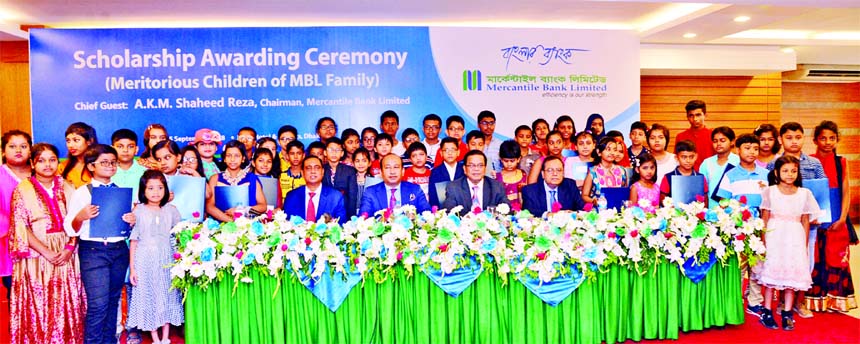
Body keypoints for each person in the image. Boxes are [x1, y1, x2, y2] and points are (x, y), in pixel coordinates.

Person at [9, 143, 85, 344]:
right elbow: (20, 227)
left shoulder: (69, 187)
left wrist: (70, 247)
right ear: (33, 163)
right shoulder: (22, 190)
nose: (47, 165)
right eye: (41, 160)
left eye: (52, 160)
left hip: (66, 253)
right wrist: (46, 252)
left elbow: (78, 218)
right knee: (41, 304)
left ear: (58, 163)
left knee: (65, 303)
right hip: (37, 257)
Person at [64, 144, 136, 344]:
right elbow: (70, 228)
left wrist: (131, 220)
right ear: (91, 166)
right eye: (104, 162)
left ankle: (109, 341)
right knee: (98, 304)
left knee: (113, 301)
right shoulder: (82, 193)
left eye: (113, 162)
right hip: (94, 252)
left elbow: (126, 228)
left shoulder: (121, 192)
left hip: (119, 250)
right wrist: (81, 215)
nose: (110, 166)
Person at [766, 122, 826, 319]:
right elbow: (770, 197)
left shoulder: (814, 163)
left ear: (804, 138)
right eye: (789, 137)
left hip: (803, 223)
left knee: (801, 263)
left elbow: (823, 192)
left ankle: (798, 303)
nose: (793, 141)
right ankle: (781, 303)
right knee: (779, 262)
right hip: (778, 225)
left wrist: (822, 214)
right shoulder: (772, 164)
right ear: (781, 140)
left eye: (798, 137)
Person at [755, 155, 821, 330]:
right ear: (777, 173)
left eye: (793, 171)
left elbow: (806, 221)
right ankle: (767, 311)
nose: (790, 174)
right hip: (775, 236)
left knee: (792, 276)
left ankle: (787, 312)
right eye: (785, 171)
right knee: (771, 274)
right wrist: (763, 242)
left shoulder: (804, 193)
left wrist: (805, 245)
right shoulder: (770, 191)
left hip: (795, 237)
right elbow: (765, 218)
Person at [713, 134, 770, 318]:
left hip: (760, 225)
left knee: (758, 264)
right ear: (738, 151)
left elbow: (769, 201)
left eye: (755, 148)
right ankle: (735, 298)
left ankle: (755, 301)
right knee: (739, 264)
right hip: (738, 227)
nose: (752, 152)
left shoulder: (766, 174)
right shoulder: (730, 175)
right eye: (747, 148)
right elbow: (724, 202)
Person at [126, 170, 184, 344]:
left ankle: (166, 337)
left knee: (167, 295)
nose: (156, 192)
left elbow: (179, 235)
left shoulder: (172, 210)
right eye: (150, 188)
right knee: (149, 295)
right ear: (143, 190)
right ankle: (154, 338)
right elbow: (134, 241)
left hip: (167, 259)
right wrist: (133, 268)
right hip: (145, 259)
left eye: (160, 187)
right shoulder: (139, 210)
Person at [808, 120, 856, 313]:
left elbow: (846, 191)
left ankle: (837, 301)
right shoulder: (809, 161)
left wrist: (843, 218)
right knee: (815, 256)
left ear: (837, 140)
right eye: (823, 138)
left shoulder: (841, 162)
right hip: (815, 218)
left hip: (837, 216)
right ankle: (814, 300)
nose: (827, 142)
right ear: (815, 140)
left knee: (836, 257)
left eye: (832, 138)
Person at [0, 130, 31, 298]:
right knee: (16, 294)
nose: (18, 150)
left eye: (23, 146)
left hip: (42, 246)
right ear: (3, 151)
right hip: (9, 246)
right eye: (12, 146)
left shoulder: (41, 172)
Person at [205, 141, 267, 222]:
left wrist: (242, 211)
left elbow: (263, 206)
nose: (232, 159)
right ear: (224, 158)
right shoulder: (215, 178)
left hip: (248, 226)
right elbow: (209, 207)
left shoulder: (252, 178)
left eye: (237, 156)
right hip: (220, 227)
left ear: (243, 158)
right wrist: (230, 221)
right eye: (229, 155)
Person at [359, 153, 430, 215]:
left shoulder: (415, 190)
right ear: (381, 172)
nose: (392, 171)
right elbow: (364, 217)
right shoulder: (370, 192)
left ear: (402, 171)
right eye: (387, 167)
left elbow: (427, 214)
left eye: (396, 167)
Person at [443, 150, 509, 215]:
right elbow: (449, 213)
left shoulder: (496, 186)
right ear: (464, 169)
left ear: (485, 168)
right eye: (471, 165)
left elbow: (507, 210)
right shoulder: (454, 187)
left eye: (480, 165)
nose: (476, 169)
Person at [284, 156, 346, 223]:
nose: (313, 171)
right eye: (308, 168)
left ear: (322, 172)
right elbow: (287, 223)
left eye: (317, 168)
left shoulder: (335, 197)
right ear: (302, 173)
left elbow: (340, 225)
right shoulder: (292, 196)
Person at [699, 126, 739, 209]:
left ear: (732, 142)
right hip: (712, 210)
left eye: (722, 140)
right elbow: (702, 190)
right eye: (715, 141)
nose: (718, 144)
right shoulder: (706, 163)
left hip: (734, 211)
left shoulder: (739, 161)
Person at [582, 137, 629, 207]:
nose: (612, 153)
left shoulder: (622, 171)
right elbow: (584, 195)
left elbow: (625, 192)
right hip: (599, 212)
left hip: (618, 211)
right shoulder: (593, 172)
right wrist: (593, 201)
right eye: (608, 149)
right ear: (599, 152)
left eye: (615, 150)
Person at [659, 140, 708, 205]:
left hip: (696, 214)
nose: (688, 161)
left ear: (696, 156)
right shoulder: (668, 177)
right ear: (676, 158)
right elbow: (663, 199)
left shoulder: (701, 177)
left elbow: (705, 199)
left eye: (691, 157)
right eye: (684, 157)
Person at [322, 138, 358, 218]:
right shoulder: (321, 170)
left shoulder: (350, 171)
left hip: (343, 208)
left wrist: (351, 217)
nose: (334, 152)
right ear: (325, 152)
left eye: (338, 150)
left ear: (342, 153)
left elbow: (352, 196)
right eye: (331, 149)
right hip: (324, 211)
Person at [676, 100, 715, 170]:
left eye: (698, 115)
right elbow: (678, 160)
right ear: (687, 117)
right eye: (691, 115)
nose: (695, 119)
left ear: (705, 115)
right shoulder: (680, 137)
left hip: (709, 175)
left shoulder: (713, 135)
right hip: (686, 176)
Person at [428, 137, 465, 207]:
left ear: (458, 152)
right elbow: (433, 196)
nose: (450, 153)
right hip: (443, 212)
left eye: (453, 150)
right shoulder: (435, 172)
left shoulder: (464, 170)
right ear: (441, 153)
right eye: (446, 150)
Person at [60, 122, 97, 188]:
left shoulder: (98, 164)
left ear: (89, 141)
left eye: (76, 140)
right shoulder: (62, 166)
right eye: (68, 141)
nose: (70, 145)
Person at [111, 129, 147, 198]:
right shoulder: (106, 171)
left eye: (130, 146)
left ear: (136, 150)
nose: (125, 150)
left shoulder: (146, 172)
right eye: (120, 146)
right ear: (112, 149)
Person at [496, 140, 527, 210]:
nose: (509, 164)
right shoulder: (497, 178)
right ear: (501, 159)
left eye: (512, 161)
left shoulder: (523, 175)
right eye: (506, 161)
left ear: (519, 159)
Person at [352, 148, 380, 216]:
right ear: (353, 163)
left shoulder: (375, 180)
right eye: (357, 161)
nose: (360, 164)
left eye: (364, 161)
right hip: (352, 213)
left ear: (369, 163)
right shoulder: (350, 180)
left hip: (369, 213)